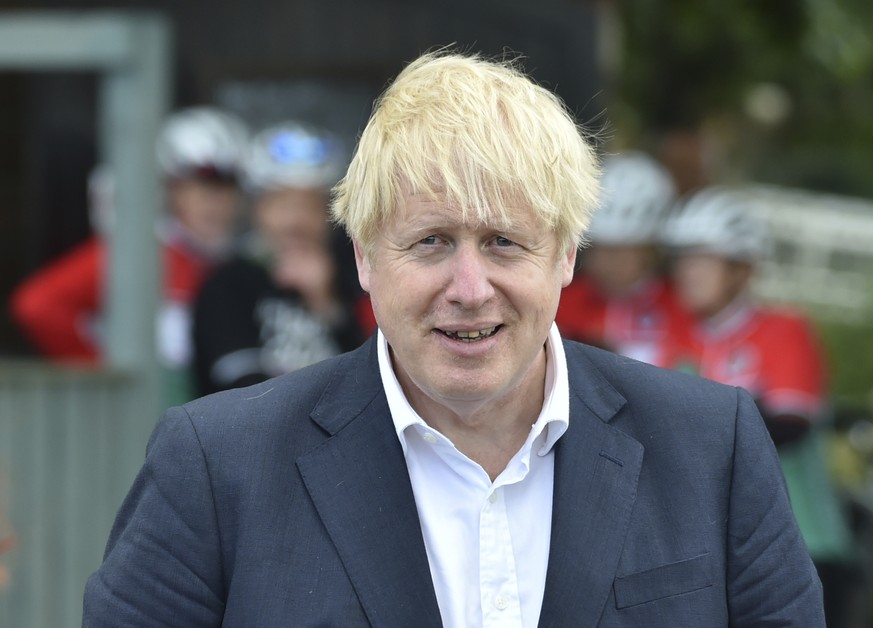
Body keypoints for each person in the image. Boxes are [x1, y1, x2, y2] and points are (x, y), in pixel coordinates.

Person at [83, 51, 823, 627]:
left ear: (565, 254)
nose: (468, 287)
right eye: (432, 241)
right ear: (365, 257)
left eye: (504, 242)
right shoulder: (215, 467)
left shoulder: (709, 448)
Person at [661, 186, 856, 626]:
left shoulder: (784, 330)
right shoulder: (676, 336)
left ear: (742, 268)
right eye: (682, 258)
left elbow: (789, 426)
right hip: (717, 545)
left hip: (806, 540)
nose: (687, 272)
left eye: (703, 259)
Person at [9, 107, 248, 403]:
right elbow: (37, 306)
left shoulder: (239, 262)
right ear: (168, 189)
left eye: (227, 188)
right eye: (200, 185)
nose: (214, 202)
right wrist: (104, 380)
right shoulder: (138, 254)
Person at [191, 122, 364, 396]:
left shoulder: (353, 277)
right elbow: (238, 386)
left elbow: (374, 380)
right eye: (282, 204)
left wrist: (326, 304)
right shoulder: (228, 281)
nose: (297, 221)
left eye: (311, 206)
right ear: (256, 208)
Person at [555, 151, 694, 368]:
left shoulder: (685, 307)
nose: (603, 261)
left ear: (651, 249)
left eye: (618, 251)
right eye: (596, 248)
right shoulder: (561, 302)